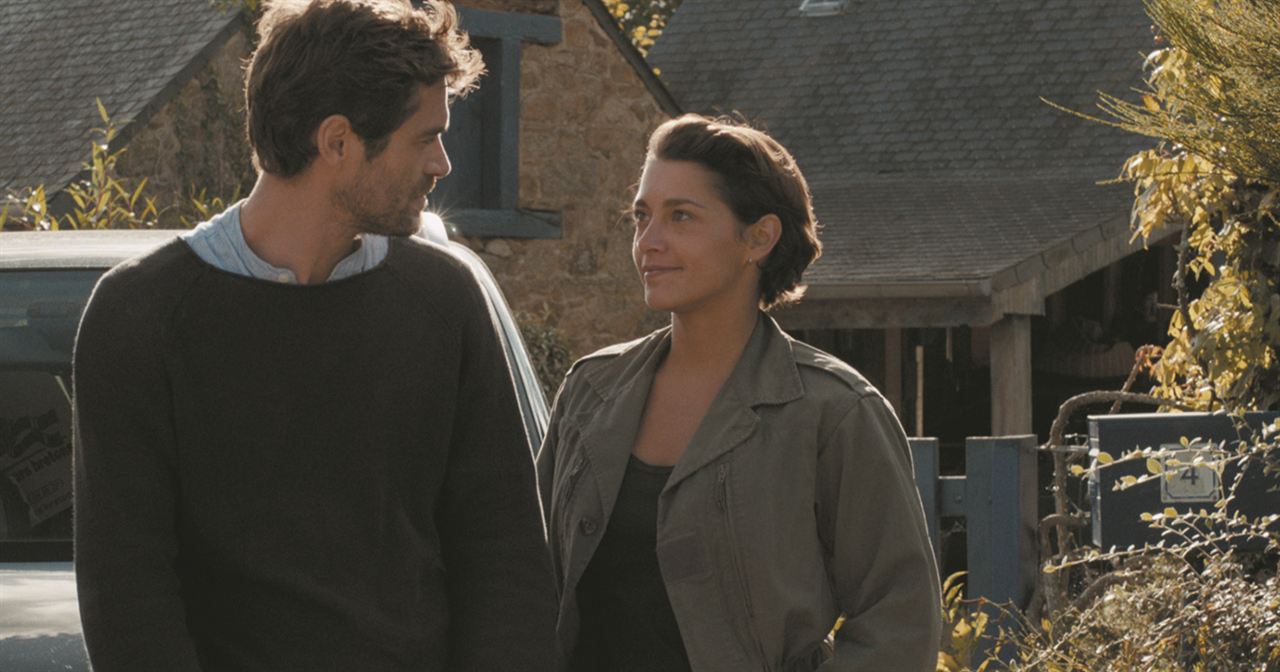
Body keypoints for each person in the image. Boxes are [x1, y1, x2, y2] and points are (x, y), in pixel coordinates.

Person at [71, 1, 558, 670]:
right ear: (337, 142)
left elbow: (507, 562)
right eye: (425, 137)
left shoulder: (446, 299)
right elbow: (127, 595)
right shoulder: (141, 315)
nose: (443, 163)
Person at [537, 114, 943, 672]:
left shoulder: (836, 412)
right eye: (641, 216)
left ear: (758, 237)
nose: (648, 242)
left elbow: (900, 623)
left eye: (681, 216)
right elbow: (525, 580)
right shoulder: (589, 392)